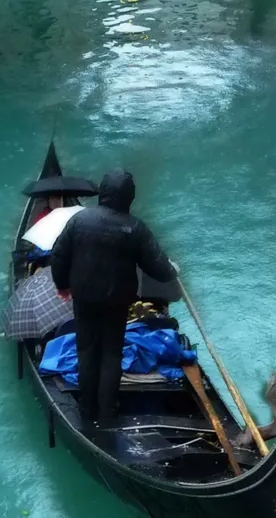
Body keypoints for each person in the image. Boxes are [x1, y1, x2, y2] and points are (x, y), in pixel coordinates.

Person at [50, 169, 177, 429]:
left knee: (86, 353)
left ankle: (87, 411)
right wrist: (173, 268)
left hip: (84, 298)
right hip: (117, 302)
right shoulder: (135, 228)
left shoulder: (79, 220)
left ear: (103, 192)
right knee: (111, 356)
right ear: (128, 196)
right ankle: (108, 414)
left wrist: (62, 285)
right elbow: (160, 270)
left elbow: (59, 255)